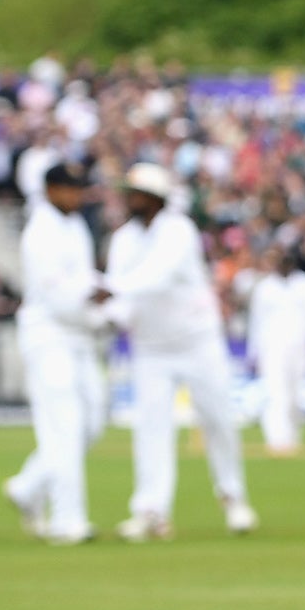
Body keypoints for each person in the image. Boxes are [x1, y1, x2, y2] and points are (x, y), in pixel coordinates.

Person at [99, 163, 258, 540]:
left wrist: (111, 289)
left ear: (154, 198)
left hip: (196, 340)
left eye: (134, 193)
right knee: (151, 428)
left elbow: (158, 275)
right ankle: (151, 511)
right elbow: (124, 301)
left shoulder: (179, 230)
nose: (127, 199)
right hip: (151, 347)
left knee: (217, 418)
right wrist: (106, 312)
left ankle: (233, 497)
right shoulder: (123, 239)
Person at [5, 161, 108, 544]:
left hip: (79, 335)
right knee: (62, 425)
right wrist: (99, 308)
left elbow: (83, 280)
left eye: (80, 188)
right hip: (49, 336)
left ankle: (29, 487)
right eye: (70, 188)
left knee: (92, 421)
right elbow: (59, 296)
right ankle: (67, 520)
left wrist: (101, 296)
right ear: (50, 190)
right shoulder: (40, 232)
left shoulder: (75, 225)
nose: (77, 195)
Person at [246, 246, 305, 456]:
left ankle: (291, 438)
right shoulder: (265, 287)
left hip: (299, 345)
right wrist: (253, 351)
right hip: (271, 346)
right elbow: (256, 321)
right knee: (275, 393)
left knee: (295, 395)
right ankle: (276, 440)